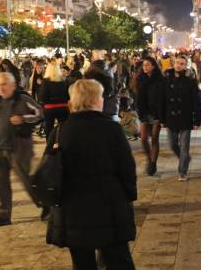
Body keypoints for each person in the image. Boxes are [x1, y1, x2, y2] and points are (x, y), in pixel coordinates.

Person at [49, 79, 137, 269]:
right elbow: (127, 167)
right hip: (109, 206)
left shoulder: (60, 131)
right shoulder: (111, 129)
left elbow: (50, 170)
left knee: (82, 263)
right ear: (96, 100)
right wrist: (129, 196)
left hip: (73, 209)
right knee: (118, 260)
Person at [0, 72, 44, 228]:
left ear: (13, 85)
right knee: (1, 184)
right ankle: (3, 215)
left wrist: (23, 119)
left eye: (4, 84)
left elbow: (40, 113)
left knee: (28, 181)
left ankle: (46, 206)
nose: (1, 88)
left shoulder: (23, 99)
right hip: (0, 149)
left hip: (19, 148)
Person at [160, 55, 201, 181]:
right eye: (177, 62)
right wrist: (162, 118)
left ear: (186, 65)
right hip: (171, 117)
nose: (179, 65)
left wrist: (197, 120)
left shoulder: (190, 80)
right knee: (172, 144)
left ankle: (182, 171)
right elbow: (162, 99)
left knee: (184, 147)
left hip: (185, 117)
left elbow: (196, 101)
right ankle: (185, 158)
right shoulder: (167, 78)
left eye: (182, 63)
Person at [135, 57, 164, 176]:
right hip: (144, 112)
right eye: (143, 65)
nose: (145, 67)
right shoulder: (140, 79)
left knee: (154, 139)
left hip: (156, 112)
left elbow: (162, 97)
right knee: (143, 138)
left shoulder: (160, 80)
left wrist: (162, 115)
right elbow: (137, 97)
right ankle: (149, 157)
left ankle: (153, 163)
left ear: (153, 66)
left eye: (147, 65)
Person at [39, 60, 70, 137]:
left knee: (49, 129)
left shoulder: (46, 81)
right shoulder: (63, 80)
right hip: (63, 107)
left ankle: (50, 146)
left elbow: (43, 97)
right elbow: (68, 95)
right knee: (63, 129)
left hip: (50, 108)